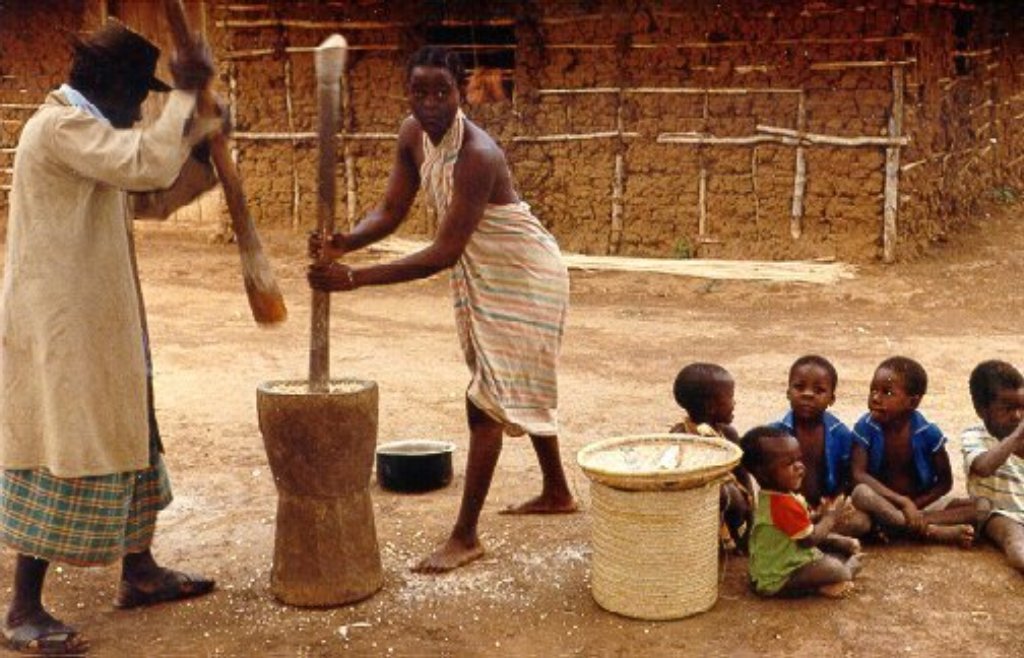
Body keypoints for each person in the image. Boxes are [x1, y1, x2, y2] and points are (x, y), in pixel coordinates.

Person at [0, 19, 224, 655]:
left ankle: (140, 570)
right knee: (63, 443)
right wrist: (186, 96)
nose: (138, 110)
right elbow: (145, 161)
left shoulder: (91, 135)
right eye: (137, 96)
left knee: (132, 426)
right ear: (110, 86)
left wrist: (203, 148)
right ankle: (22, 607)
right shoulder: (59, 127)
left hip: (103, 317)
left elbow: (149, 194)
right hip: (63, 327)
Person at [307, 45, 576, 574]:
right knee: (509, 381)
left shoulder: (476, 154)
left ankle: (466, 536)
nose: (430, 102)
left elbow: (443, 253)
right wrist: (345, 241)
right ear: (407, 93)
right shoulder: (412, 134)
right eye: (419, 91)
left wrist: (355, 279)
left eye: (442, 92)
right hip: (489, 271)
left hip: (525, 275)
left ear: (462, 92)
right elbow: (389, 211)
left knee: (488, 401)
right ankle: (557, 491)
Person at [849, 356, 976, 546]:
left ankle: (900, 525)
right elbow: (857, 475)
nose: (876, 398)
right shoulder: (865, 427)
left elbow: (944, 483)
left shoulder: (929, 434)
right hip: (880, 503)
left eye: (887, 392)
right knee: (861, 494)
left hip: (922, 505)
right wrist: (903, 502)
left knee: (982, 507)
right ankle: (931, 531)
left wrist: (915, 506)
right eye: (873, 390)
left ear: (912, 402)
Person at [740, 425, 862, 598]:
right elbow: (809, 540)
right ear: (764, 474)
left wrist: (821, 514)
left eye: (799, 459)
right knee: (835, 568)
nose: (799, 467)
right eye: (789, 464)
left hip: (783, 557)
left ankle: (827, 575)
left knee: (837, 543)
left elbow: (799, 524)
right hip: (777, 578)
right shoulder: (781, 503)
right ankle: (842, 574)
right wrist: (830, 517)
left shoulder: (777, 496)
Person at [768, 355, 865, 535]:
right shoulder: (774, 433)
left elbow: (847, 476)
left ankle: (813, 536)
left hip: (825, 508)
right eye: (799, 387)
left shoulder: (840, 433)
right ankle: (815, 537)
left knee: (862, 523)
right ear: (788, 392)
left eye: (819, 390)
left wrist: (832, 503)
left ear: (831, 399)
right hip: (787, 507)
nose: (807, 394)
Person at [670, 363, 753, 552]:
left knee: (732, 492)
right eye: (731, 397)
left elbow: (744, 475)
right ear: (711, 406)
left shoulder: (729, 434)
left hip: (732, 509)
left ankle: (735, 537)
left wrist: (751, 522)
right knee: (725, 492)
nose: (735, 403)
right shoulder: (680, 437)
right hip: (695, 509)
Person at [961, 360, 1024, 574]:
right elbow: (984, 467)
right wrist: (1016, 437)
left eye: (1022, 407)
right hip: (1000, 513)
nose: (1017, 416)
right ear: (982, 410)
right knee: (1014, 541)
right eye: (1007, 409)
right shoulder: (975, 436)